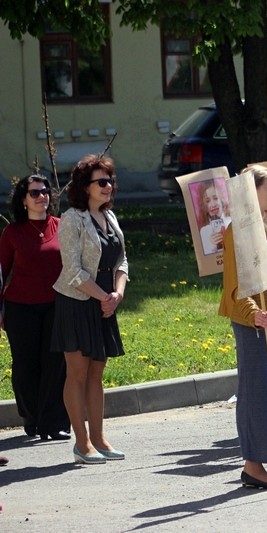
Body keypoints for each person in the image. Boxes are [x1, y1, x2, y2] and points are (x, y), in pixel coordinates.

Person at [52, 154, 128, 464]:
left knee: (97, 373)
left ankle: (99, 438)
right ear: (85, 186)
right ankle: (81, 444)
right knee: (78, 373)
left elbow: (122, 260)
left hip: (105, 301)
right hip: (78, 302)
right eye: (101, 181)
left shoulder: (110, 217)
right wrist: (103, 297)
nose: (108, 186)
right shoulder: (72, 218)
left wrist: (117, 294)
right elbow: (72, 271)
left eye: (110, 180)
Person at [218, 164, 267, 489]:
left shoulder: (263, 225)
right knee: (256, 389)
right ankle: (252, 465)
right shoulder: (239, 230)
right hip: (252, 319)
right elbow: (235, 284)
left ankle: (257, 462)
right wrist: (252, 315)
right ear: (252, 191)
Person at [0, 175, 70, 441]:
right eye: (35, 193)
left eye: (45, 192)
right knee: (26, 366)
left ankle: (54, 423)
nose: (42, 197)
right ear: (23, 199)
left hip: (57, 305)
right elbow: (1, 271)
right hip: (20, 308)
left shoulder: (63, 227)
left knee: (56, 364)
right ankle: (32, 418)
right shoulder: (12, 232)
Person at [196, 180, 231, 256]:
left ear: (222, 199)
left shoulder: (231, 221)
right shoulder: (204, 231)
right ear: (204, 206)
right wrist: (211, 244)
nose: (213, 204)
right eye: (207, 201)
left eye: (215, 198)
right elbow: (206, 259)